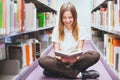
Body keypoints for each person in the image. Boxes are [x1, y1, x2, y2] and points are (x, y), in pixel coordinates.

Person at [38, 2, 100, 79]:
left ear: (75, 17)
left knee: (94, 55)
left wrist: (75, 59)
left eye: (70, 17)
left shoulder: (81, 30)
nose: (67, 20)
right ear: (61, 18)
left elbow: (79, 49)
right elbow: (56, 51)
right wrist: (62, 59)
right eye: (64, 18)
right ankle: (80, 74)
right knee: (42, 60)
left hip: (75, 61)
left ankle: (61, 72)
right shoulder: (57, 30)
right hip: (61, 61)